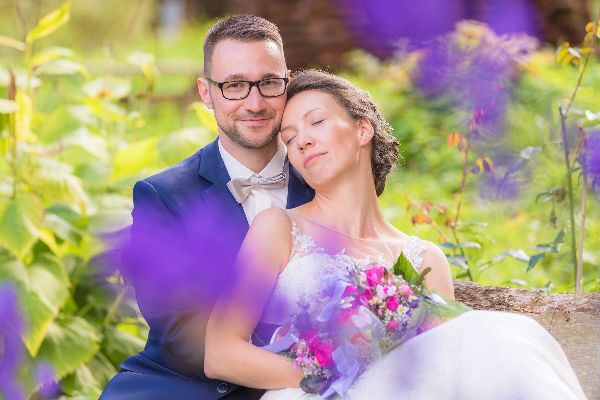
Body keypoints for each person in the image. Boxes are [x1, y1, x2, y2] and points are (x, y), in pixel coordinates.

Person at [204, 70, 587, 399]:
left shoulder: (424, 258)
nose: (301, 141)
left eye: (316, 121)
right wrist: (333, 374)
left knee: (493, 331)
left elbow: (445, 368)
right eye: (289, 138)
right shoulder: (279, 227)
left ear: (362, 129)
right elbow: (220, 353)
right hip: (317, 392)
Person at [100, 15, 314, 400]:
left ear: (287, 83)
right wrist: (302, 368)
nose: (254, 103)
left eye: (268, 83)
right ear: (206, 91)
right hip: (184, 387)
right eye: (234, 85)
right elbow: (179, 328)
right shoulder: (162, 195)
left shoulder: (322, 183)